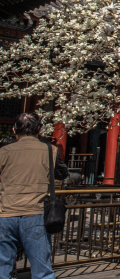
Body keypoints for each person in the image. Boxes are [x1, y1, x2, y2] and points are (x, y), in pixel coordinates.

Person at [0, 113, 67, 279]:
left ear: (14, 129)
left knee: (3, 267)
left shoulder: (4, 151)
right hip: (35, 213)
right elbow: (62, 173)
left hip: (6, 213)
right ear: (40, 129)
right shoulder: (50, 150)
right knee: (42, 270)